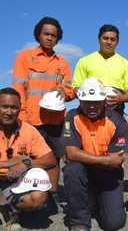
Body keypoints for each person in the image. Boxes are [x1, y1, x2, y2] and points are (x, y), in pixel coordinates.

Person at [12, 16, 74, 208]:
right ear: (38, 35)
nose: (49, 38)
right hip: (31, 120)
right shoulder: (25, 57)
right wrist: (21, 117)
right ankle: (26, 192)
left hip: (56, 121)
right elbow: (18, 90)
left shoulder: (62, 63)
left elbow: (71, 90)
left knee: (54, 159)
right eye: (46, 34)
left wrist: (63, 90)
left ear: (58, 38)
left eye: (54, 35)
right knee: (30, 158)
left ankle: (52, 195)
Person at [62, 77, 128, 231]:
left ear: (104, 101)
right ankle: (79, 221)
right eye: (86, 102)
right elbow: (71, 153)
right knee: (72, 170)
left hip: (108, 175)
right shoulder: (71, 117)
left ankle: (98, 198)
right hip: (84, 171)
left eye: (96, 102)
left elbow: (116, 160)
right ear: (79, 100)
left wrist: (107, 161)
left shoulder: (117, 121)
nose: (91, 107)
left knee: (113, 224)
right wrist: (106, 160)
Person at [0, 87, 57, 229]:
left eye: (13, 107)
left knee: (38, 198)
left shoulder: (28, 130)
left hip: (14, 182)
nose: (8, 112)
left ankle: (10, 209)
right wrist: (9, 163)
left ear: (20, 109)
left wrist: (25, 163)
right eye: (4, 107)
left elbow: (50, 160)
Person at [72, 24, 128, 115]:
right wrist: (91, 96)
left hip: (115, 112)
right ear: (99, 39)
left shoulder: (126, 64)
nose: (109, 42)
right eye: (105, 38)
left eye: (113, 39)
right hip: (89, 111)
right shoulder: (84, 61)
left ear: (117, 42)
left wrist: (121, 98)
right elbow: (76, 87)